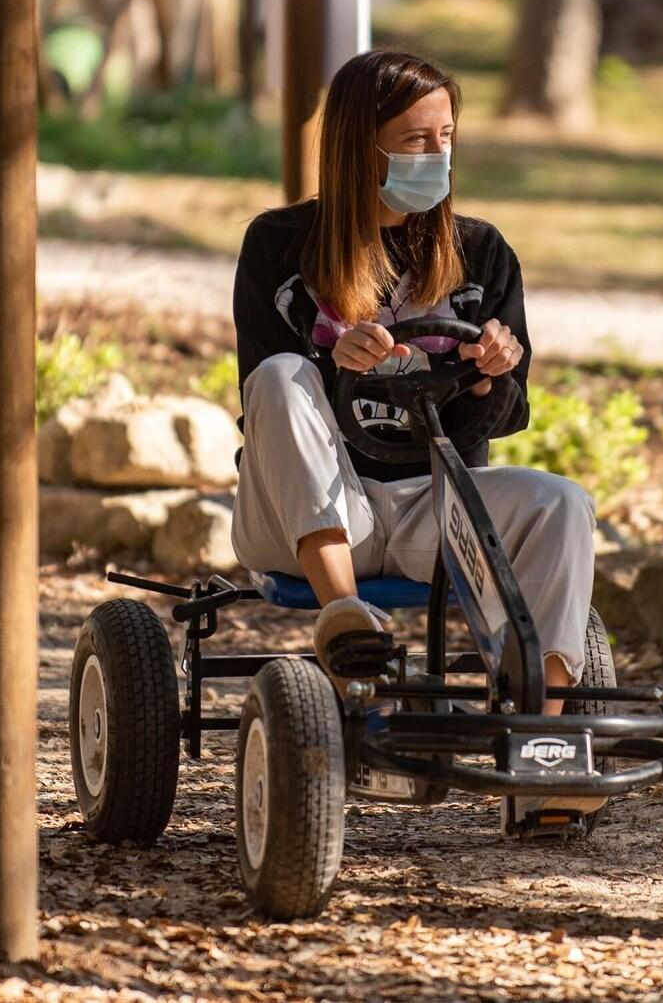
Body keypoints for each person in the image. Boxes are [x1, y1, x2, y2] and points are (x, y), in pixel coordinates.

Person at [228, 49, 597, 745]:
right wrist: (332, 358)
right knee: (281, 373)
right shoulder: (278, 245)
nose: (437, 156)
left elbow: (504, 415)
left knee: (562, 502)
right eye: (415, 140)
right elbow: (266, 402)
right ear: (359, 149)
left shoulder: (481, 252)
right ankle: (347, 626)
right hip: (305, 512)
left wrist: (490, 373)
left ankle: (541, 739)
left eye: (445, 137)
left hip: (433, 508)